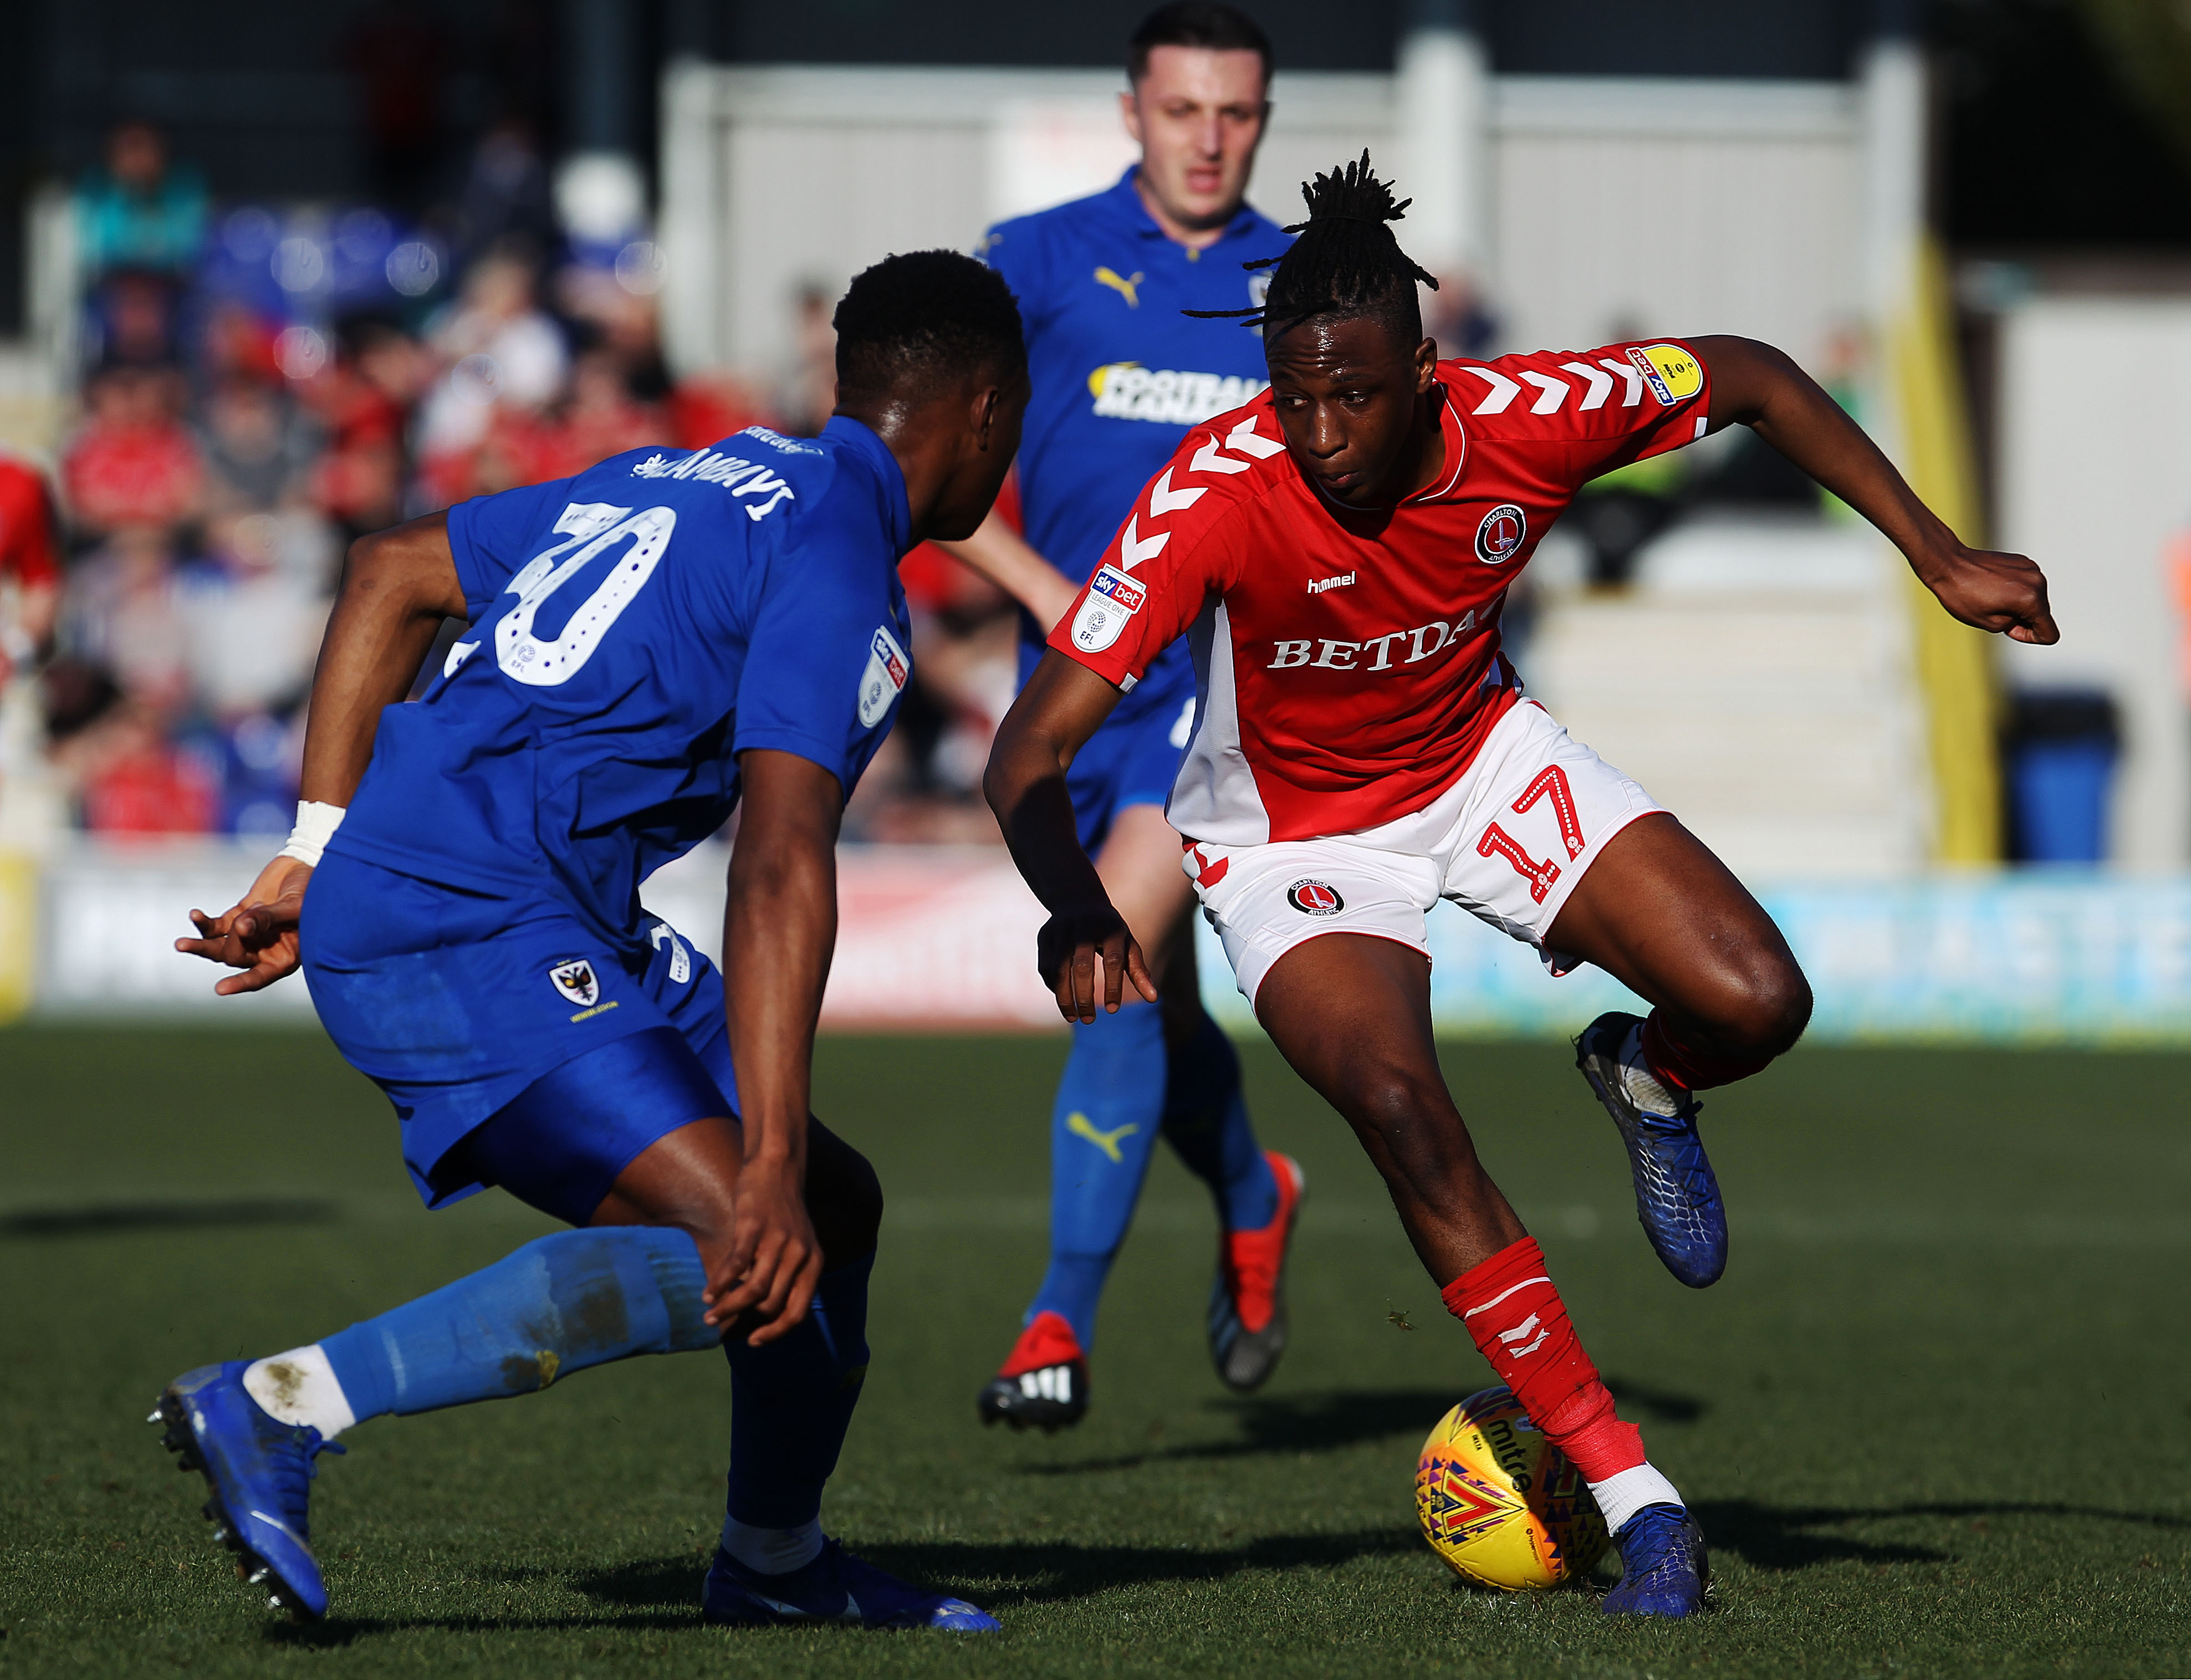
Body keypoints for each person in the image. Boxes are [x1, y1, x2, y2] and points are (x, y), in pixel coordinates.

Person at [982, 155, 2057, 1616]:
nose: (1319, 432)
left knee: (1758, 998)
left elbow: (1751, 376)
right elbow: (1026, 752)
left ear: (1427, 370)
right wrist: (1075, 904)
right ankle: (1637, 1497)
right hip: (1295, 842)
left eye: (1352, 396)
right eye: (1293, 398)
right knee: (1404, 1110)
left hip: (1479, 760)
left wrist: (1936, 558)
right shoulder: (1218, 492)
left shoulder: (1526, 417)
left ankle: (1648, 1072)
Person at [157, 249, 1029, 1632]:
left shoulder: (704, 471)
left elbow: (392, 570)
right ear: (987, 410)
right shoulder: (838, 559)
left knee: (832, 1216)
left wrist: (310, 850)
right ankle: (286, 1404)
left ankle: (777, 1560)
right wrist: (774, 1156)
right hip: (465, 918)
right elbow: (782, 862)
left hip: (518, 904)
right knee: (753, 1226)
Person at [944, 0, 1302, 1433]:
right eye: (1183, 110)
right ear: (1130, 110)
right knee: (1159, 994)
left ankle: (1056, 1322)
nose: (1209, 140)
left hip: (1223, 703)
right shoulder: (1032, 260)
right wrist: (1048, 592)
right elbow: (908, 439)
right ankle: (1250, 1187)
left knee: (1107, 969)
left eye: (1237, 114)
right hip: (1074, 702)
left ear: (1262, 120)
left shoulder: (1307, 279)